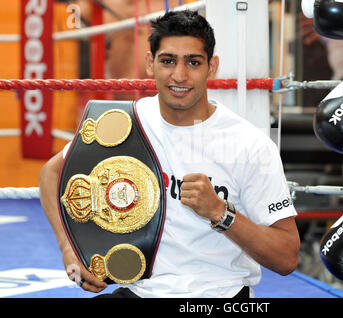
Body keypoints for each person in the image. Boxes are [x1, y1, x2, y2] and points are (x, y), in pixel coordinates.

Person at [39, 10, 300, 298]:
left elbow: (286, 257)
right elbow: (51, 173)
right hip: (139, 291)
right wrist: (69, 248)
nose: (179, 75)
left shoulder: (249, 145)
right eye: (168, 61)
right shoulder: (126, 123)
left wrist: (220, 213)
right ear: (150, 64)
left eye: (193, 62)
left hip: (218, 295)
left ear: (211, 67)